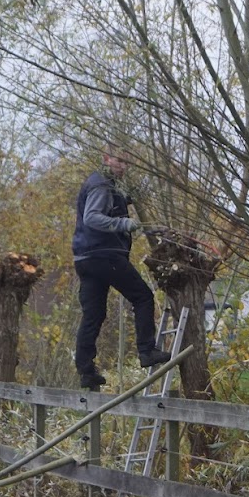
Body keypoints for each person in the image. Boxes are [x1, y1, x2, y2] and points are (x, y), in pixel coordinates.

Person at [72, 147, 169, 390]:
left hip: (85, 258)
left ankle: (86, 371)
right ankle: (147, 351)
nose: (123, 166)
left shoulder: (107, 186)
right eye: (119, 161)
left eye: (127, 163)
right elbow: (91, 217)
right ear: (105, 158)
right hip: (104, 255)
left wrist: (150, 226)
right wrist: (122, 223)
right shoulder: (101, 185)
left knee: (94, 315)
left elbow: (121, 210)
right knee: (143, 296)